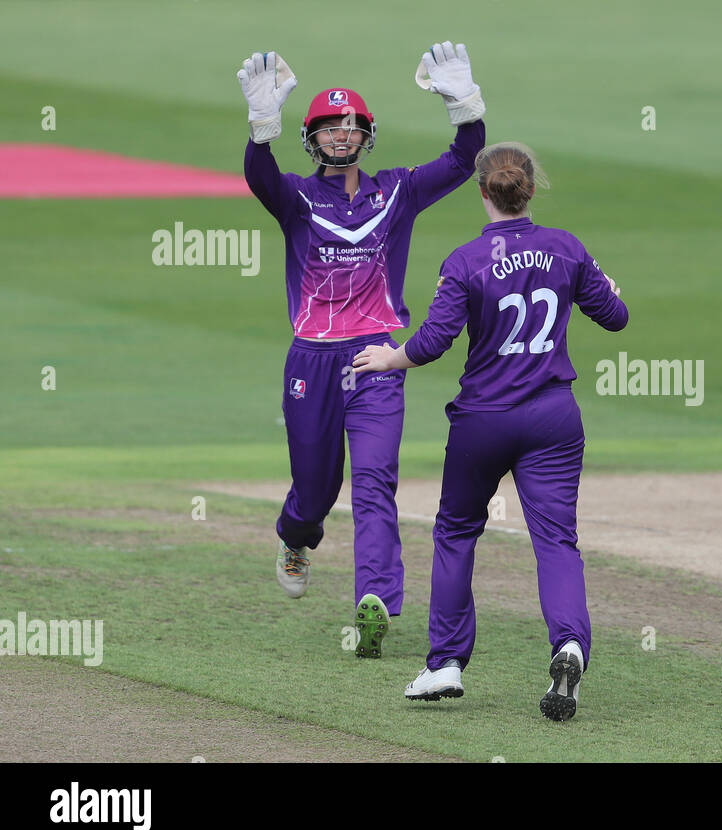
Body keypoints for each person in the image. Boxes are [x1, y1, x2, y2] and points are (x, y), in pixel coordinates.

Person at [352, 142, 628, 720]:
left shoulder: (466, 260)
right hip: (554, 417)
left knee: (456, 532)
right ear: (531, 189)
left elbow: (431, 343)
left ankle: (446, 663)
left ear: (483, 192)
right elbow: (615, 316)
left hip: (484, 419)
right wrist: (611, 292)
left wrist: (388, 358)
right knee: (556, 540)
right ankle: (569, 644)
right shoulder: (567, 248)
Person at [237, 44, 486, 655]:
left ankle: (373, 599)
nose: (342, 133)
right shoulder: (296, 197)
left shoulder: (396, 193)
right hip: (311, 361)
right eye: (329, 124)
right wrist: (259, 130)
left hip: (377, 359)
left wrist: (466, 107)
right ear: (313, 136)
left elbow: (462, 162)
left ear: (367, 135)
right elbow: (258, 178)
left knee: (375, 481)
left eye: (352, 125)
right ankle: (296, 538)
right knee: (316, 491)